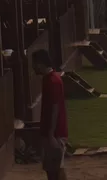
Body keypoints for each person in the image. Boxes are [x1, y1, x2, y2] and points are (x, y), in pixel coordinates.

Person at [33, 48, 68, 180]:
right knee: (52, 169)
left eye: (34, 64)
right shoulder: (49, 79)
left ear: (40, 63)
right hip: (52, 133)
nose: (33, 67)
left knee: (56, 170)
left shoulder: (53, 81)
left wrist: (51, 134)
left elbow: (55, 108)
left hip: (55, 134)